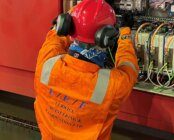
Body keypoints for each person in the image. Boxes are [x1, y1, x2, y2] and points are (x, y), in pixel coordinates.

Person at [34, 0, 138, 139]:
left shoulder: (46, 62)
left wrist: (76, 15)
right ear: (107, 37)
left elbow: (54, 38)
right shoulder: (113, 86)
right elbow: (129, 67)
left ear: (67, 27)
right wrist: (125, 33)